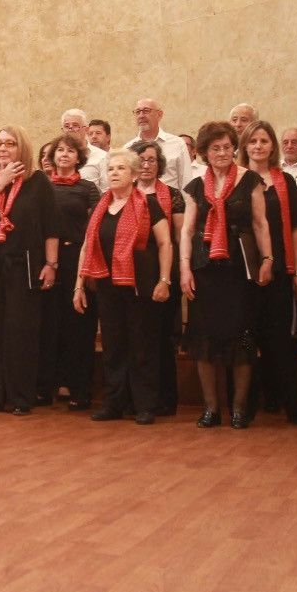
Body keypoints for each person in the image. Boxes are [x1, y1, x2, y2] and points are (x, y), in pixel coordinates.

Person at [180, 122, 272, 428]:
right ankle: (211, 409)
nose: (222, 153)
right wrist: (184, 269)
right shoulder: (195, 186)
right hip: (205, 271)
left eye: (227, 147)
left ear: (235, 148)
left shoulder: (250, 180)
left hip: (240, 271)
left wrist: (268, 259)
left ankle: (239, 409)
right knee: (204, 340)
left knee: (242, 339)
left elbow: (260, 224)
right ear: (204, 152)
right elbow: (188, 230)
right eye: (214, 148)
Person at [73, 149, 174, 424]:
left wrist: (164, 280)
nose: (114, 173)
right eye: (111, 169)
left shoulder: (148, 204)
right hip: (107, 284)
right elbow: (87, 246)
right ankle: (114, 402)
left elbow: (165, 243)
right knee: (114, 345)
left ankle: (144, 405)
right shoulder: (100, 207)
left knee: (142, 344)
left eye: (120, 169)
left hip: (141, 284)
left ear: (132, 175)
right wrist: (78, 286)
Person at [0, 126, 58, 416]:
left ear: (22, 148)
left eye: (10, 143)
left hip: (26, 264)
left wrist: (51, 264)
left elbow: (51, 227)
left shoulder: (37, 181)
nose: (3, 149)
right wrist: (1, 180)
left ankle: (20, 396)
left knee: (20, 330)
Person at [239, 122, 297, 424]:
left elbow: (294, 229)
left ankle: (290, 403)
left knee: (279, 340)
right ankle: (247, 404)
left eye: (264, 140)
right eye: (252, 141)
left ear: (272, 146)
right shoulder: (236, 180)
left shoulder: (286, 181)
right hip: (242, 273)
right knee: (246, 339)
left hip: (279, 269)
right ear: (244, 146)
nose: (258, 146)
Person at [40, 133, 101, 410]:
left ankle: (79, 389)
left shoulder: (88, 189)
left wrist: (88, 267)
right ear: (51, 157)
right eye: (59, 151)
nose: (64, 155)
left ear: (79, 157)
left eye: (69, 151)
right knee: (49, 324)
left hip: (78, 257)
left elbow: (95, 230)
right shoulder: (41, 187)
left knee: (79, 325)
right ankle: (45, 387)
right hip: (47, 260)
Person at [129, 138, 184, 415]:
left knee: (162, 337)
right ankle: (136, 397)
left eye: (151, 160)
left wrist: (170, 277)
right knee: (137, 336)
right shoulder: (123, 193)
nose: (146, 165)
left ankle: (164, 399)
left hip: (162, 268)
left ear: (159, 164)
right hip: (131, 271)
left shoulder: (172, 194)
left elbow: (178, 237)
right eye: (141, 161)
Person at [130, 98, 195, 190]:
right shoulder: (128, 148)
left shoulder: (177, 143)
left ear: (159, 115)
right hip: (137, 202)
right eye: (137, 112)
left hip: (171, 201)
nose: (141, 115)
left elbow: (186, 182)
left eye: (146, 111)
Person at [61, 109, 109, 186]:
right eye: (66, 126)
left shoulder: (102, 157)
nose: (70, 129)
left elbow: (106, 191)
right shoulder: (59, 157)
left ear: (86, 130)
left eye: (75, 125)